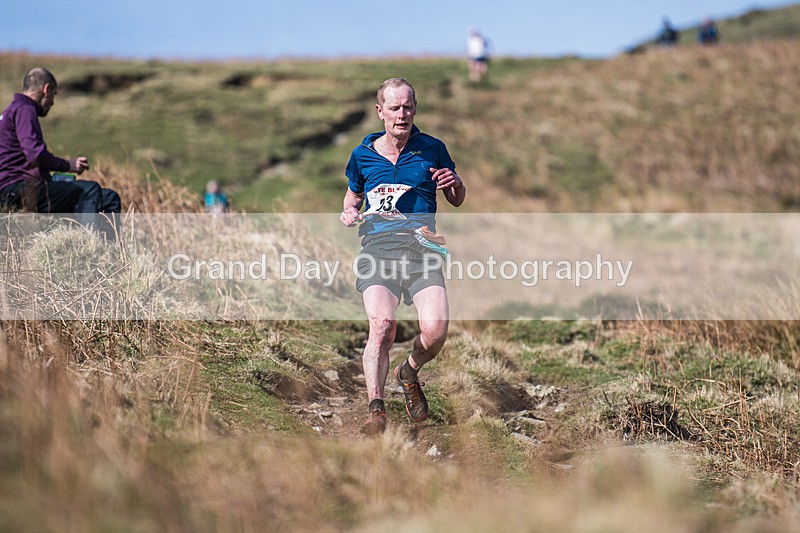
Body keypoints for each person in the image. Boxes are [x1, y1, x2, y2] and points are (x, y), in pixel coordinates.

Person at [340, 78, 466, 435]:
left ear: (415, 108)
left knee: (436, 330)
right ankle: (376, 408)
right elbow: (352, 198)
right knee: (382, 326)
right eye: (394, 108)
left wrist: (453, 182)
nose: (402, 114)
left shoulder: (432, 148)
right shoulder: (362, 155)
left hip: (424, 251)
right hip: (378, 251)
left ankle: (408, 372)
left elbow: (457, 197)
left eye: (408, 107)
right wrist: (349, 213)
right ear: (380, 111)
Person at [0, 67, 121, 238]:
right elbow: (35, 154)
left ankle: (110, 251)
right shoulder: (24, 109)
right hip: (18, 189)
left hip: (13, 187)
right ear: (46, 89)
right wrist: (68, 165)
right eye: (54, 95)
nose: (52, 102)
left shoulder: (9, 112)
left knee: (109, 197)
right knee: (89, 189)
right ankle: (88, 248)